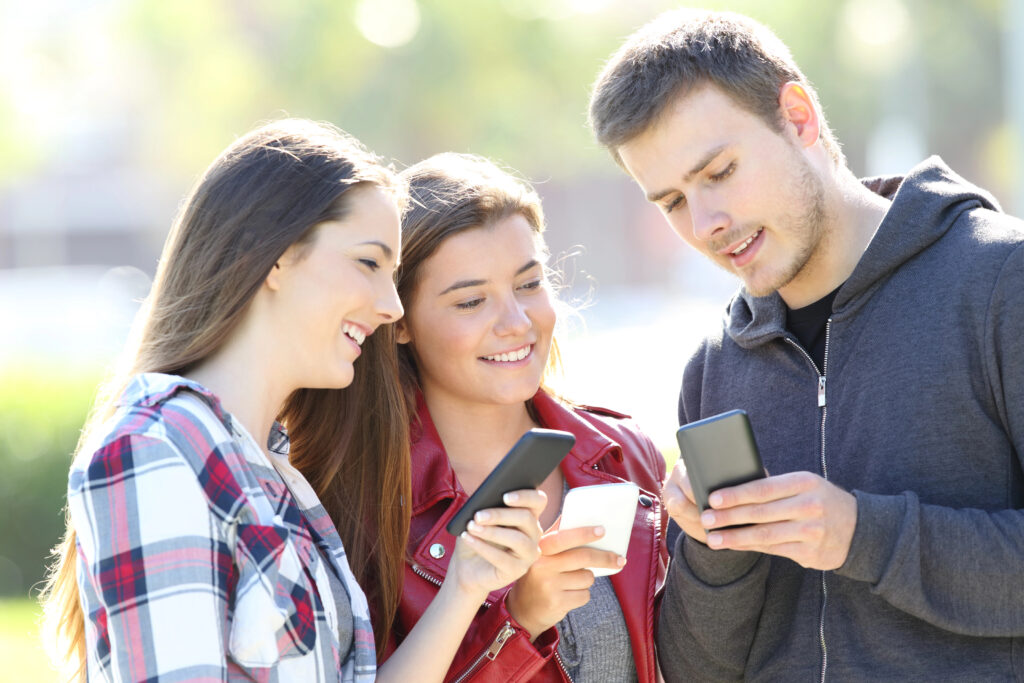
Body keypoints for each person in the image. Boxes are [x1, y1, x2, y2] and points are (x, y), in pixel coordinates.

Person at [588, 8, 1024, 682]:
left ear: (798, 117)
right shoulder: (715, 368)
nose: (706, 223)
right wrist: (713, 554)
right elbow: (697, 669)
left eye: (719, 172)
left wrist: (860, 534)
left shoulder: (1001, 282)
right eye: (671, 201)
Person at [39, 119, 546, 682]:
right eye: (369, 263)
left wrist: (466, 585)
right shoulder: (157, 448)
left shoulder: (278, 477)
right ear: (276, 257)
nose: (391, 307)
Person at [359, 152, 668, 682]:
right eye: (471, 301)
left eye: (528, 285)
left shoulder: (624, 452)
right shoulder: (367, 507)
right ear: (399, 321)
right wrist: (518, 621)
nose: (516, 322)